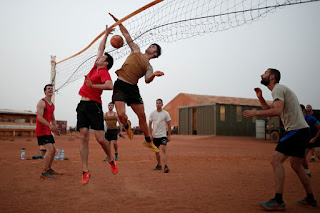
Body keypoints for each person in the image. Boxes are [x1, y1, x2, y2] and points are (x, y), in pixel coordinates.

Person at [243, 68, 318, 210]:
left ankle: (278, 200)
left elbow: (276, 111)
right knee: (296, 164)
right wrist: (260, 98)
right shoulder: (278, 91)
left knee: (275, 159)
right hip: (301, 130)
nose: (261, 74)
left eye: (264, 73)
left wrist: (254, 113)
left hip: (296, 130)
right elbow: (271, 111)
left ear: (271, 77)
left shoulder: (278, 89)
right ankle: (310, 198)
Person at [109, 13, 164, 153]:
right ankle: (126, 125)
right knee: (121, 115)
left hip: (133, 89)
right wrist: (119, 22)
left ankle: (148, 141)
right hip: (120, 85)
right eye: (151, 45)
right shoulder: (136, 50)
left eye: (153, 47)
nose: (150, 46)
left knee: (142, 116)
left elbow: (147, 80)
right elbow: (127, 36)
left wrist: (154, 75)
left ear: (155, 54)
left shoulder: (148, 67)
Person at [76, 25, 118, 185]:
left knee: (100, 139)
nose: (98, 57)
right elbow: (101, 48)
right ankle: (85, 171)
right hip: (82, 105)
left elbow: (110, 86)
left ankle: (111, 159)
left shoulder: (104, 72)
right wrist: (106, 34)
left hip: (95, 106)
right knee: (83, 136)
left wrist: (93, 87)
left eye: (101, 58)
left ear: (106, 63)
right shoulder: (95, 66)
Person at [36, 84, 61, 179]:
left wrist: (55, 128)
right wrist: (50, 125)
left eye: (51, 89)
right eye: (48, 89)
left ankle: (49, 169)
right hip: (41, 130)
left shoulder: (52, 105)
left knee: (54, 150)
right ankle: (44, 172)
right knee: (50, 150)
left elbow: (53, 119)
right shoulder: (41, 103)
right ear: (45, 92)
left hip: (48, 130)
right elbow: (39, 117)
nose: (50, 90)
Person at [149, 99, 172, 173]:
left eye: (160, 103)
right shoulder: (152, 113)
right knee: (156, 151)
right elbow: (149, 125)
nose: (158, 104)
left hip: (163, 135)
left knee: (163, 149)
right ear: (156, 104)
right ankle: (159, 164)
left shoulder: (165, 113)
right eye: (157, 103)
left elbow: (169, 124)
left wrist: (168, 135)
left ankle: (165, 166)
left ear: (162, 104)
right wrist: (150, 134)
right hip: (155, 135)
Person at [300, 104, 320, 177]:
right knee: (302, 156)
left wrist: (315, 138)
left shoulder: (311, 119)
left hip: (317, 137)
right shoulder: (298, 119)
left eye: (300, 110)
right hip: (307, 139)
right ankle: (307, 172)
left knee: (318, 153)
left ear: (303, 111)